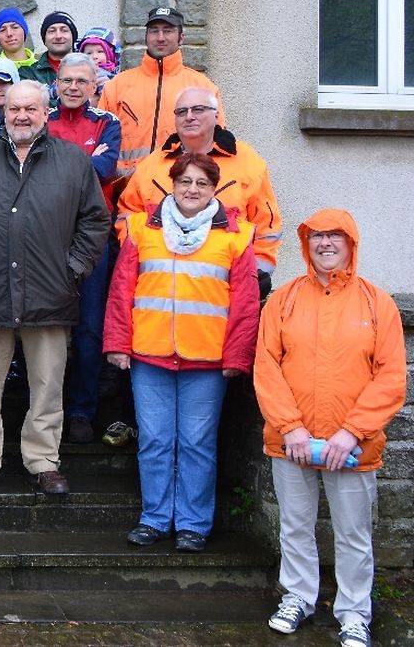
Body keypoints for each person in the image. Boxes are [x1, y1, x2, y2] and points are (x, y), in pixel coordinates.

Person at [0, 81, 109, 496]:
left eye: (30, 109)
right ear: (4, 112)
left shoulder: (73, 161)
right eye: (14, 108)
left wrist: (72, 270)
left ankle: (43, 461)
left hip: (50, 294)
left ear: (45, 112)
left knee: (48, 385)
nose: (21, 116)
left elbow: (95, 221)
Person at [255, 209, 406, 647]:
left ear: (350, 243)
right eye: (317, 236)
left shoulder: (377, 303)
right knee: (295, 526)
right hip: (292, 443)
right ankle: (298, 597)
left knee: (354, 534)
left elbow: (391, 377)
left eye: (335, 236)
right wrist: (291, 427)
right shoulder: (283, 300)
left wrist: (352, 432)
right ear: (307, 245)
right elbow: (266, 367)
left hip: (353, 447)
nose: (325, 243)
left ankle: (354, 613)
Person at [103, 153, 260, 553]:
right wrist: (117, 343)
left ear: (214, 189)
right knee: (154, 441)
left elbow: (245, 304)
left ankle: (193, 524)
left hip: (206, 359)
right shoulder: (141, 228)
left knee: (197, 444)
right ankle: (154, 518)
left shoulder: (237, 236)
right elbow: (122, 290)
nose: (192, 189)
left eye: (202, 183)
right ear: (172, 185)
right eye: (185, 181)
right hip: (149, 354)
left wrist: (237, 357)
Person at [118, 87, 282, 294]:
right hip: (161, 285)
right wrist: (137, 261)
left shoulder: (248, 163)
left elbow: (267, 227)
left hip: (225, 285)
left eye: (198, 109)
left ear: (216, 114)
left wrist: (256, 273)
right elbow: (127, 217)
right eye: (182, 111)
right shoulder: (151, 165)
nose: (189, 117)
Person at [46, 53, 120, 444]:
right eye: (67, 80)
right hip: (46, 234)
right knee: (45, 324)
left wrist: (57, 166)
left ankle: (80, 410)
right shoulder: (41, 119)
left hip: (92, 235)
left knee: (90, 326)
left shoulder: (109, 123)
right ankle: (45, 411)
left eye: (81, 82)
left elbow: (103, 170)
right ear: (56, 84)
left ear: (94, 87)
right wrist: (82, 162)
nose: (73, 88)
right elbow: (33, 169)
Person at [98, 7, 224, 181]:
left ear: (181, 37)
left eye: (168, 31)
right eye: (154, 31)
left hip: (180, 188)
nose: (160, 37)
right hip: (124, 189)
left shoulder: (203, 87)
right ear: (146, 36)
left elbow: (217, 145)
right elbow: (100, 141)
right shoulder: (116, 87)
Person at [26, 11, 78, 85]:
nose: (58, 36)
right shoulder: (30, 74)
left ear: (73, 37)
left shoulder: (90, 67)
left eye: (64, 30)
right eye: (52, 31)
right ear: (45, 40)